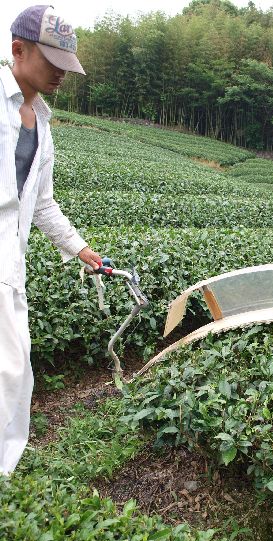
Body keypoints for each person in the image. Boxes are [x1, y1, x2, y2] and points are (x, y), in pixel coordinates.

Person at [0, 5, 102, 475]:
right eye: (53, 62)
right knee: (10, 366)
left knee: (16, 370)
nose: (61, 74)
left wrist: (79, 248)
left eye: (66, 65)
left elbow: (41, 204)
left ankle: (7, 466)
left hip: (10, 261)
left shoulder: (41, 122)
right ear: (18, 50)